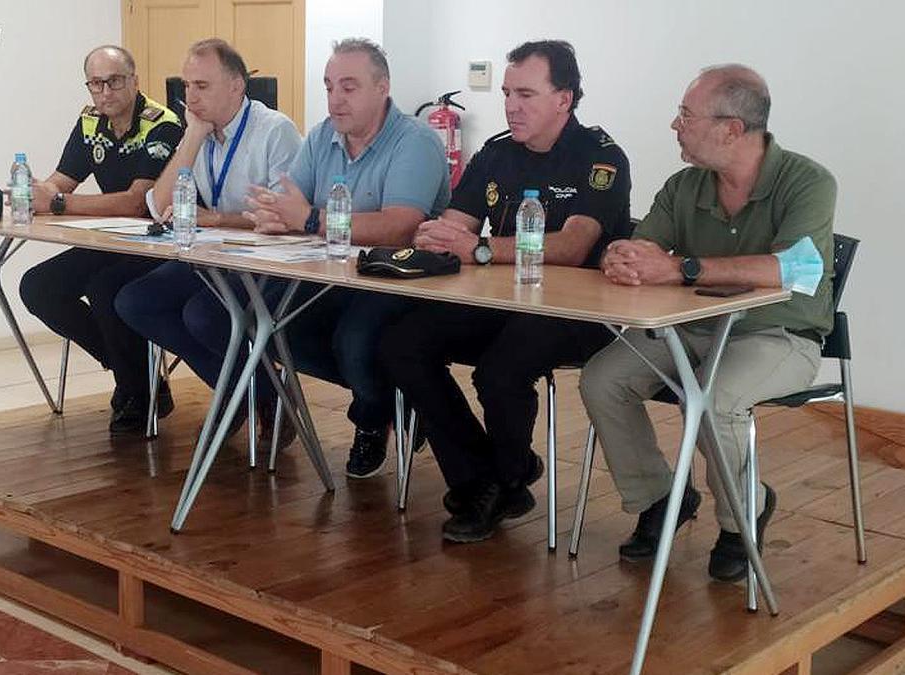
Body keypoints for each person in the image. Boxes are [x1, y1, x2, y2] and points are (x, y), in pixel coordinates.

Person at [580, 64, 836, 582]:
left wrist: (680, 267)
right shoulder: (685, 185)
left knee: (714, 398)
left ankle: (742, 518)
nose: (675, 125)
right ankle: (658, 499)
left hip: (778, 333)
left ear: (732, 129)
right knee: (602, 379)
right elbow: (644, 245)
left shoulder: (808, 182)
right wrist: (623, 256)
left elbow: (793, 268)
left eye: (685, 114)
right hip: (690, 327)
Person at [378, 40, 630, 543]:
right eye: (507, 93)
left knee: (501, 369)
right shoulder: (496, 153)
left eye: (527, 94)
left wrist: (482, 249)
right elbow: (456, 224)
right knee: (401, 344)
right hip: (502, 302)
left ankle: (504, 478)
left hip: (576, 313)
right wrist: (435, 234)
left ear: (565, 98)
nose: (512, 105)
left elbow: (576, 245)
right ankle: (487, 475)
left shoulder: (600, 157)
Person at [244, 38, 449, 478]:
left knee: (353, 339)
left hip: (400, 279)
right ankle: (393, 395)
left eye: (349, 87)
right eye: (329, 86)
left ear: (382, 88)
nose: (336, 99)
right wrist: (276, 215)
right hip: (331, 273)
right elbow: (290, 201)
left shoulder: (416, 142)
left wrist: (310, 218)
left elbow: (400, 225)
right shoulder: (322, 136)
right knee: (270, 324)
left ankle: (371, 419)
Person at [114, 39, 302, 450]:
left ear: (236, 86)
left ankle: (254, 395)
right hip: (212, 256)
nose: (190, 97)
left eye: (202, 86)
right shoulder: (197, 133)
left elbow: (285, 217)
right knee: (135, 301)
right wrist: (192, 138)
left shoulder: (275, 131)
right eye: (186, 86)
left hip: (264, 260)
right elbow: (157, 206)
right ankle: (250, 393)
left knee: (201, 315)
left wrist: (219, 218)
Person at [19, 45, 184, 435]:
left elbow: (135, 203)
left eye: (114, 82)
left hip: (160, 242)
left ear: (134, 81)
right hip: (112, 241)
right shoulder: (90, 120)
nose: (105, 92)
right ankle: (139, 379)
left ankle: (137, 391)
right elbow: (62, 180)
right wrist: (30, 192)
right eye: (96, 84)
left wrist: (57, 203)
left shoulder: (162, 124)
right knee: (38, 287)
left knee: (104, 288)